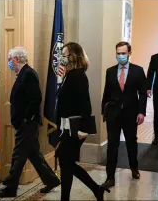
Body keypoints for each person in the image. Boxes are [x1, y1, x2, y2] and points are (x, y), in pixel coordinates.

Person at [0, 47, 60, 197]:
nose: (9, 62)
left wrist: (25, 119)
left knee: (18, 155)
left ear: (16, 59)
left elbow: (36, 99)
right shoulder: (23, 73)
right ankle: (51, 180)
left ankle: (10, 188)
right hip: (27, 123)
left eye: (10, 59)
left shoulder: (28, 74)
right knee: (34, 154)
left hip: (28, 124)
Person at [55, 42, 110, 201]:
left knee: (67, 163)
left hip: (75, 128)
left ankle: (89, 190)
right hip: (67, 126)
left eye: (65, 55)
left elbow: (85, 104)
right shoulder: (69, 74)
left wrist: (82, 130)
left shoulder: (78, 75)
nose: (63, 58)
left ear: (74, 56)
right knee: (67, 163)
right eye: (63, 55)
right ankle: (95, 189)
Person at [101, 41, 147, 189]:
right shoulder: (110, 71)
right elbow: (106, 93)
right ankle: (110, 177)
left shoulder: (138, 71)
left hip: (131, 113)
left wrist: (141, 112)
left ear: (129, 53)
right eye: (118, 53)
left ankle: (134, 167)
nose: (120, 56)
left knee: (131, 142)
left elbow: (143, 94)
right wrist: (104, 111)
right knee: (112, 145)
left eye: (123, 53)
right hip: (113, 114)